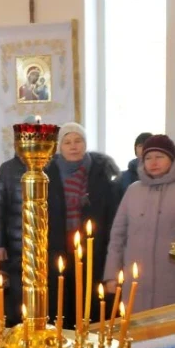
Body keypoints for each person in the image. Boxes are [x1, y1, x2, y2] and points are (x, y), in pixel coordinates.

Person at [104, 135, 175, 312]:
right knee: (135, 336)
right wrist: (112, 275)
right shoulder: (133, 190)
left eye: (159, 157)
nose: (153, 162)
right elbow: (118, 236)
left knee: (173, 336)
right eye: (148, 158)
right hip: (136, 283)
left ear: (172, 159)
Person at [46, 122, 122, 326]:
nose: (73, 146)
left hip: (93, 249)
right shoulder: (47, 173)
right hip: (58, 248)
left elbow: (111, 213)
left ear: (85, 144)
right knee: (62, 302)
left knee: (90, 302)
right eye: (67, 142)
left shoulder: (100, 172)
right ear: (59, 147)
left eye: (78, 141)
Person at [0, 116, 36, 326]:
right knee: (17, 295)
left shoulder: (48, 165)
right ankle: (18, 334)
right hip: (16, 245)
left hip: (42, 245)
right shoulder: (7, 170)